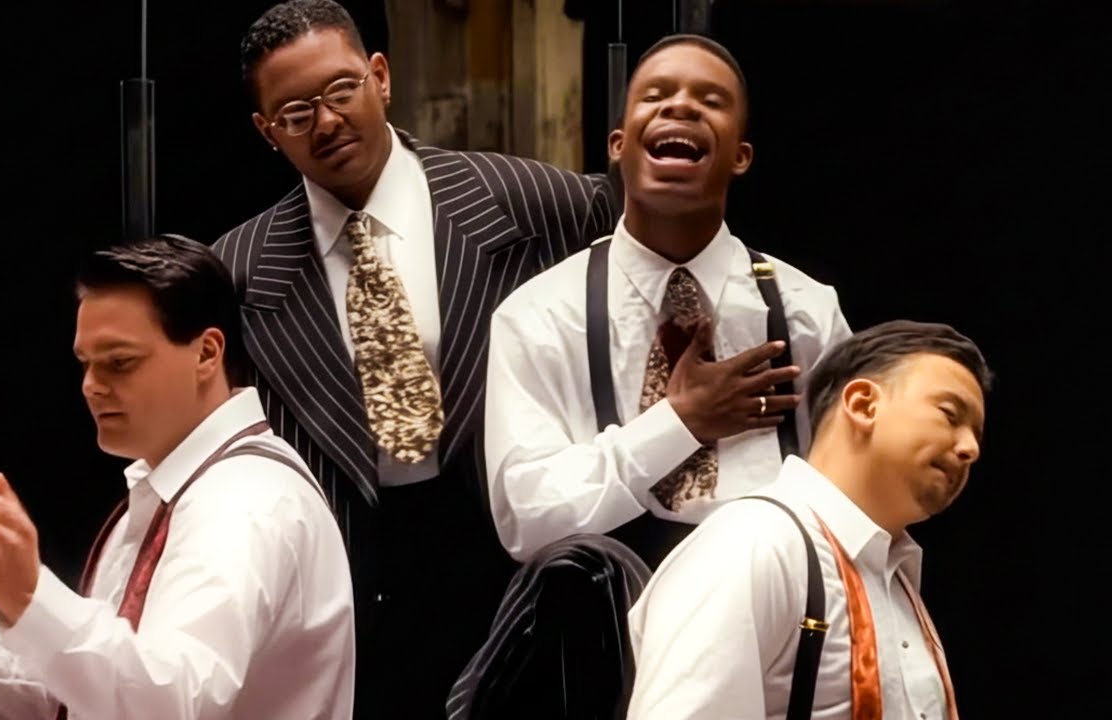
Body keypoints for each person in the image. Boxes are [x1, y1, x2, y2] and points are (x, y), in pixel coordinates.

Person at [211, 1, 618, 716]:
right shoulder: (238, 272)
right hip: (350, 589)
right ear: (266, 131)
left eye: (342, 90)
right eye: (296, 113)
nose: (327, 121)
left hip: (512, 566)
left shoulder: (534, 204)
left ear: (380, 76)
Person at [0, 235, 355, 720]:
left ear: (206, 353)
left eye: (119, 363)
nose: (91, 386)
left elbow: (169, 701)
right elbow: (66, 700)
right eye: (85, 364)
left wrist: (33, 598)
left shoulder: (243, 501)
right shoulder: (181, 487)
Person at [484, 34, 852, 570]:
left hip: (781, 606)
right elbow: (527, 520)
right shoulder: (539, 316)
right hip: (612, 610)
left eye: (710, 100)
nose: (680, 106)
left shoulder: (807, 312)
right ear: (618, 145)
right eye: (656, 95)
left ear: (741, 156)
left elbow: (852, 500)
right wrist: (678, 424)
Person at [627, 319, 990, 719]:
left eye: (976, 434)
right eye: (950, 414)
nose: (970, 448)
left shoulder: (894, 578)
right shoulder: (755, 541)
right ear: (863, 405)